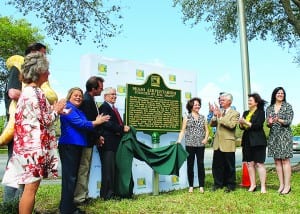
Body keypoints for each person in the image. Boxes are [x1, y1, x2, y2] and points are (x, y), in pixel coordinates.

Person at [2, 52, 66, 214]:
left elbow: (35, 116)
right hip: (33, 151)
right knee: (30, 190)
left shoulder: (27, 93)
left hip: (25, 147)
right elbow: (46, 120)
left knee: (28, 189)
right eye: (47, 70)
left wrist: (55, 110)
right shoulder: (36, 93)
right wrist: (57, 110)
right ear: (39, 72)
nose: (49, 74)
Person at [2, 43, 47, 203]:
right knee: (15, 166)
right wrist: (35, 98)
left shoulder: (38, 80)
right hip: (19, 128)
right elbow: (12, 93)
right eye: (42, 54)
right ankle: (9, 205)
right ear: (32, 54)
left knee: (28, 171)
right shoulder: (17, 68)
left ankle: (20, 205)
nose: (45, 57)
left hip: (32, 130)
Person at [58, 87, 110, 214]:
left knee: (73, 178)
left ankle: (68, 206)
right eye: (75, 95)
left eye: (80, 95)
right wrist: (97, 122)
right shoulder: (67, 108)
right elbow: (81, 124)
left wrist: (95, 126)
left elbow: (85, 124)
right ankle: (66, 209)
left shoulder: (77, 109)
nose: (78, 97)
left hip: (77, 146)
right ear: (69, 96)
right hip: (69, 146)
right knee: (69, 179)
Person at [73, 76, 105, 205]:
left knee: (85, 169)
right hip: (85, 141)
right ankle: (80, 198)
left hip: (89, 141)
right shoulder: (86, 100)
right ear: (94, 88)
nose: (102, 90)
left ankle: (83, 196)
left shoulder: (90, 99)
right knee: (83, 169)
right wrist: (97, 137)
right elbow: (89, 124)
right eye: (100, 87)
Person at [98, 87, 130, 200]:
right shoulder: (104, 107)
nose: (114, 96)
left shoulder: (113, 108)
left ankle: (113, 193)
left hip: (114, 144)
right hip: (108, 144)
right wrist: (122, 128)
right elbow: (107, 124)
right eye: (112, 94)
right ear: (105, 96)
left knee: (113, 170)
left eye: (115, 94)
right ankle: (107, 195)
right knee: (108, 170)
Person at [176, 97, 209, 193]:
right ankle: (191, 185)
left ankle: (201, 185)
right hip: (190, 144)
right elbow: (183, 130)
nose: (197, 106)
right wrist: (178, 140)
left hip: (200, 145)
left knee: (200, 165)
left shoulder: (203, 117)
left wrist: (206, 139)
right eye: (195, 105)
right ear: (191, 106)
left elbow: (206, 130)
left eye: (199, 104)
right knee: (190, 165)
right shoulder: (187, 117)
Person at [266, 87, 293, 195]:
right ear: (274, 95)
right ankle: (281, 184)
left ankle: (287, 186)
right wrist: (270, 122)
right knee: (277, 160)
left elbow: (288, 121)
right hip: (274, 136)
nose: (280, 94)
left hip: (284, 135)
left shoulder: (287, 106)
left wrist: (279, 120)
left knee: (285, 160)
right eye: (278, 93)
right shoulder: (269, 108)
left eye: (282, 93)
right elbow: (268, 123)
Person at [210, 92, 240, 193]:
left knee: (229, 166)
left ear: (229, 101)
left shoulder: (235, 113)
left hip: (228, 143)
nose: (220, 102)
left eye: (222, 100)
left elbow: (231, 126)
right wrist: (215, 116)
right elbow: (212, 124)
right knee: (217, 165)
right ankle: (218, 184)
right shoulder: (219, 111)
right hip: (217, 143)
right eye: (220, 100)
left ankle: (230, 185)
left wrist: (220, 118)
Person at [239, 93, 267, 193]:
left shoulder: (260, 112)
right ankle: (253, 185)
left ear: (256, 102)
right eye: (249, 100)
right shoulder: (246, 112)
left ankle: (263, 186)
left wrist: (245, 122)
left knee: (259, 164)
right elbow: (241, 127)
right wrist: (241, 123)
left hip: (258, 141)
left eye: (251, 100)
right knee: (250, 163)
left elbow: (257, 126)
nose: (249, 102)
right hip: (247, 141)